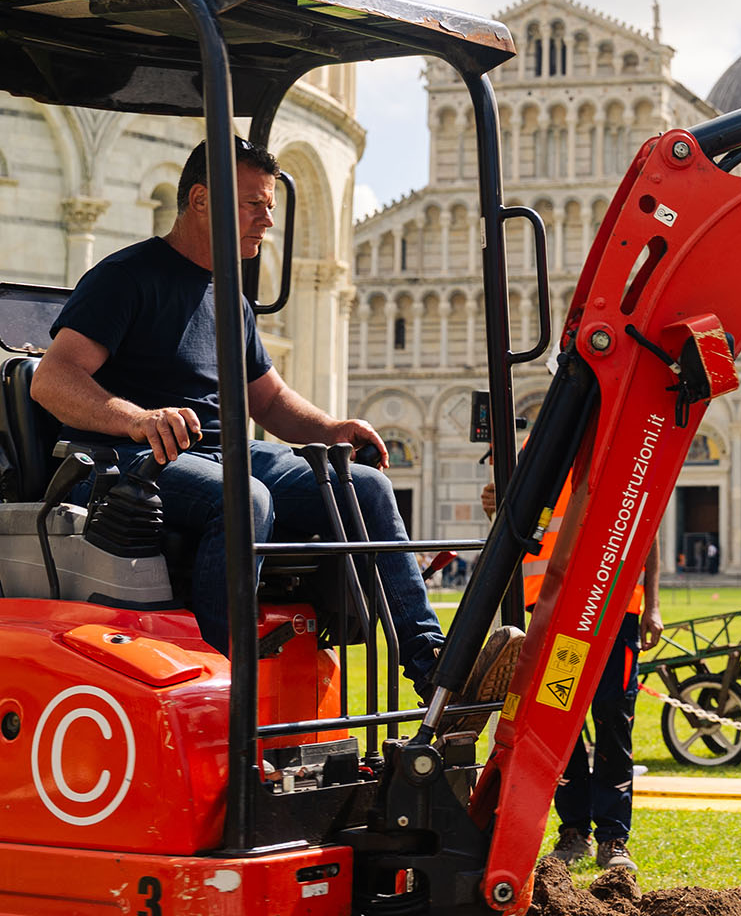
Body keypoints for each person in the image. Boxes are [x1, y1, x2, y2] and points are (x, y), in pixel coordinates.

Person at [31, 139, 518, 728]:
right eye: (254, 204)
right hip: (126, 462)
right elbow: (52, 379)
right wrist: (138, 418)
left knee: (363, 485)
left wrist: (332, 427)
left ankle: (435, 668)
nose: (268, 218)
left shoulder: (229, 296)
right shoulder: (127, 277)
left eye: (269, 205)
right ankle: (224, 684)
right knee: (244, 497)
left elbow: (272, 401)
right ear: (202, 200)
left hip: (213, 456)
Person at [483, 474, 663, 876]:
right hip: (553, 610)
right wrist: (500, 508)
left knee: (613, 718)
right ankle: (574, 832)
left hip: (616, 609)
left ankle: (614, 838)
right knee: (558, 719)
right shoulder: (546, 438)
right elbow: (527, 524)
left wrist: (652, 603)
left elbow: (646, 527)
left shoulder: (622, 431)